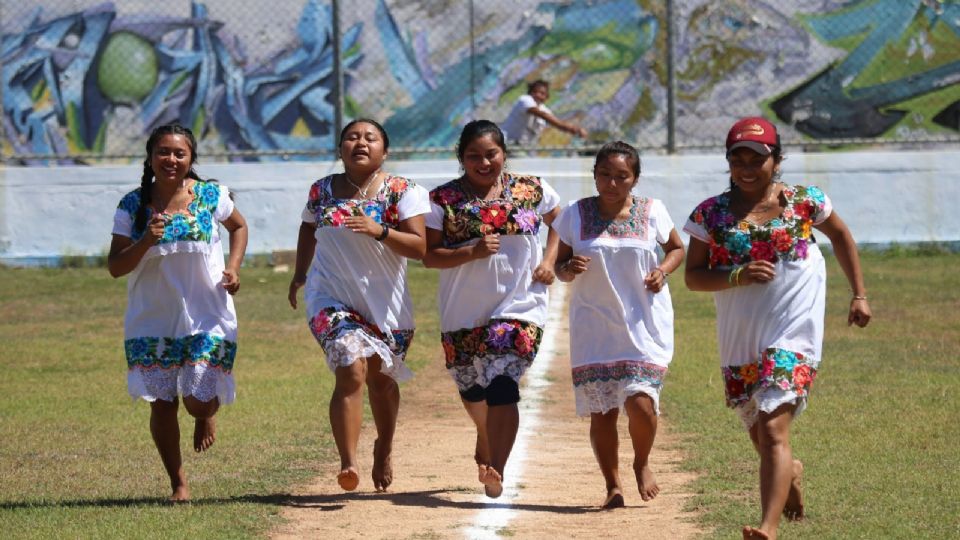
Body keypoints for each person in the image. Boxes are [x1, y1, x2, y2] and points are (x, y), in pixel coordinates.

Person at [682, 117, 872, 540]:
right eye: (738, 158)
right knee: (762, 434)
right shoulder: (710, 213)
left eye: (758, 158)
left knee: (772, 428)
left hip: (794, 334)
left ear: (777, 159)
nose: (747, 167)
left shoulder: (805, 201)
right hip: (740, 339)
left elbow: (841, 237)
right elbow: (693, 277)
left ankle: (767, 529)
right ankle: (792, 474)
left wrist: (858, 293)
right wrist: (737, 275)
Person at [107, 123, 249, 502]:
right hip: (153, 316)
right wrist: (145, 240)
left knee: (198, 399)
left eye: (179, 153)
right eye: (163, 152)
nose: (171, 159)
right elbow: (117, 266)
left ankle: (206, 413)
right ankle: (179, 484)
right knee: (163, 403)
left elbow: (239, 227)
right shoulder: (132, 205)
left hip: (207, 312)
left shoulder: (210, 195)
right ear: (150, 157)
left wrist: (233, 267)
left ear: (191, 159)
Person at [288, 118, 430, 492]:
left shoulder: (404, 191)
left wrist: (379, 229)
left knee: (382, 384)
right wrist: (301, 274)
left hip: (387, 306)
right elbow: (307, 227)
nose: (361, 143)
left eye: (371, 138)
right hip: (330, 298)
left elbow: (419, 247)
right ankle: (348, 462)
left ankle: (383, 446)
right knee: (351, 371)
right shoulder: (321, 190)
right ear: (340, 149)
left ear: (385, 150)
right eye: (352, 137)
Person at [422, 119, 561, 498]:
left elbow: (561, 222)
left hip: (521, 304)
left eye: (491, 154)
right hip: (462, 312)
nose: (483, 163)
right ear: (461, 159)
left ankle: (496, 467)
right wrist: (472, 250)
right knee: (473, 391)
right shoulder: (441, 200)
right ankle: (485, 435)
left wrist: (549, 261)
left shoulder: (531, 188)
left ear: (503, 153)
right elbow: (430, 257)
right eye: (473, 157)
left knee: (503, 385)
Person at [551, 141, 685, 509]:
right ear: (594, 175)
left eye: (621, 176)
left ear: (635, 179)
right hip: (595, 327)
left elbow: (677, 248)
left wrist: (662, 270)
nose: (612, 183)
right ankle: (613, 486)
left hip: (644, 325)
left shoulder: (653, 211)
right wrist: (568, 268)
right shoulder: (575, 215)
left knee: (642, 404)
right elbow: (560, 267)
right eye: (605, 175)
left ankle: (641, 462)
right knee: (603, 412)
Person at [501, 80, 588, 146]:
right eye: (535, 92)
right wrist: (572, 128)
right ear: (530, 93)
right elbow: (543, 115)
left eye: (542, 93)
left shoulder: (544, 109)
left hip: (522, 146)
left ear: (547, 97)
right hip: (506, 143)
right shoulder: (525, 100)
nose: (538, 95)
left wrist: (576, 130)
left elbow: (557, 123)